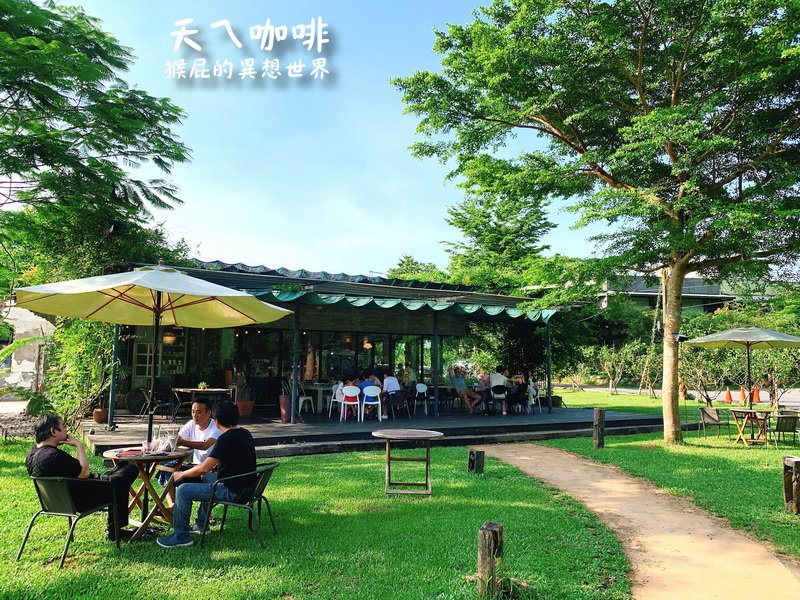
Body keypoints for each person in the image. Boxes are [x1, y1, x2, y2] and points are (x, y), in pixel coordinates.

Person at [157, 401, 256, 548]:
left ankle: (181, 536)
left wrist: (182, 474)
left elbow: (204, 467)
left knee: (184, 490)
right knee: (207, 478)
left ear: (217, 421)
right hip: (247, 486)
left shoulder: (226, 438)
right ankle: (202, 525)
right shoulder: (244, 433)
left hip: (233, 491)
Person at [25, 414, 138, 541]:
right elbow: (84, 473)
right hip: (81, 501)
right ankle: (115, 532)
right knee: (128, 471)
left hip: (56, 502)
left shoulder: (32, 454)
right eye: (63, 426)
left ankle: (115, 529)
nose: (67, 430)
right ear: (53, 431)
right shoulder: (53, 455)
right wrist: (79, 445)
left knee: (117, 472)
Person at [157, 398, 222, 493]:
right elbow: (177, 439)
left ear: (209, 413)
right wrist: (165, 443)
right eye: (193, 411)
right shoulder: (191, 424)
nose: (195, 415)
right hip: (195, 466)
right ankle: (172, 506)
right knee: (168, 468)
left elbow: (205, 445)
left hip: (209, 470)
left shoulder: (216, 427)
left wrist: (179, 442)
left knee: (176, 474)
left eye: (199, 412)